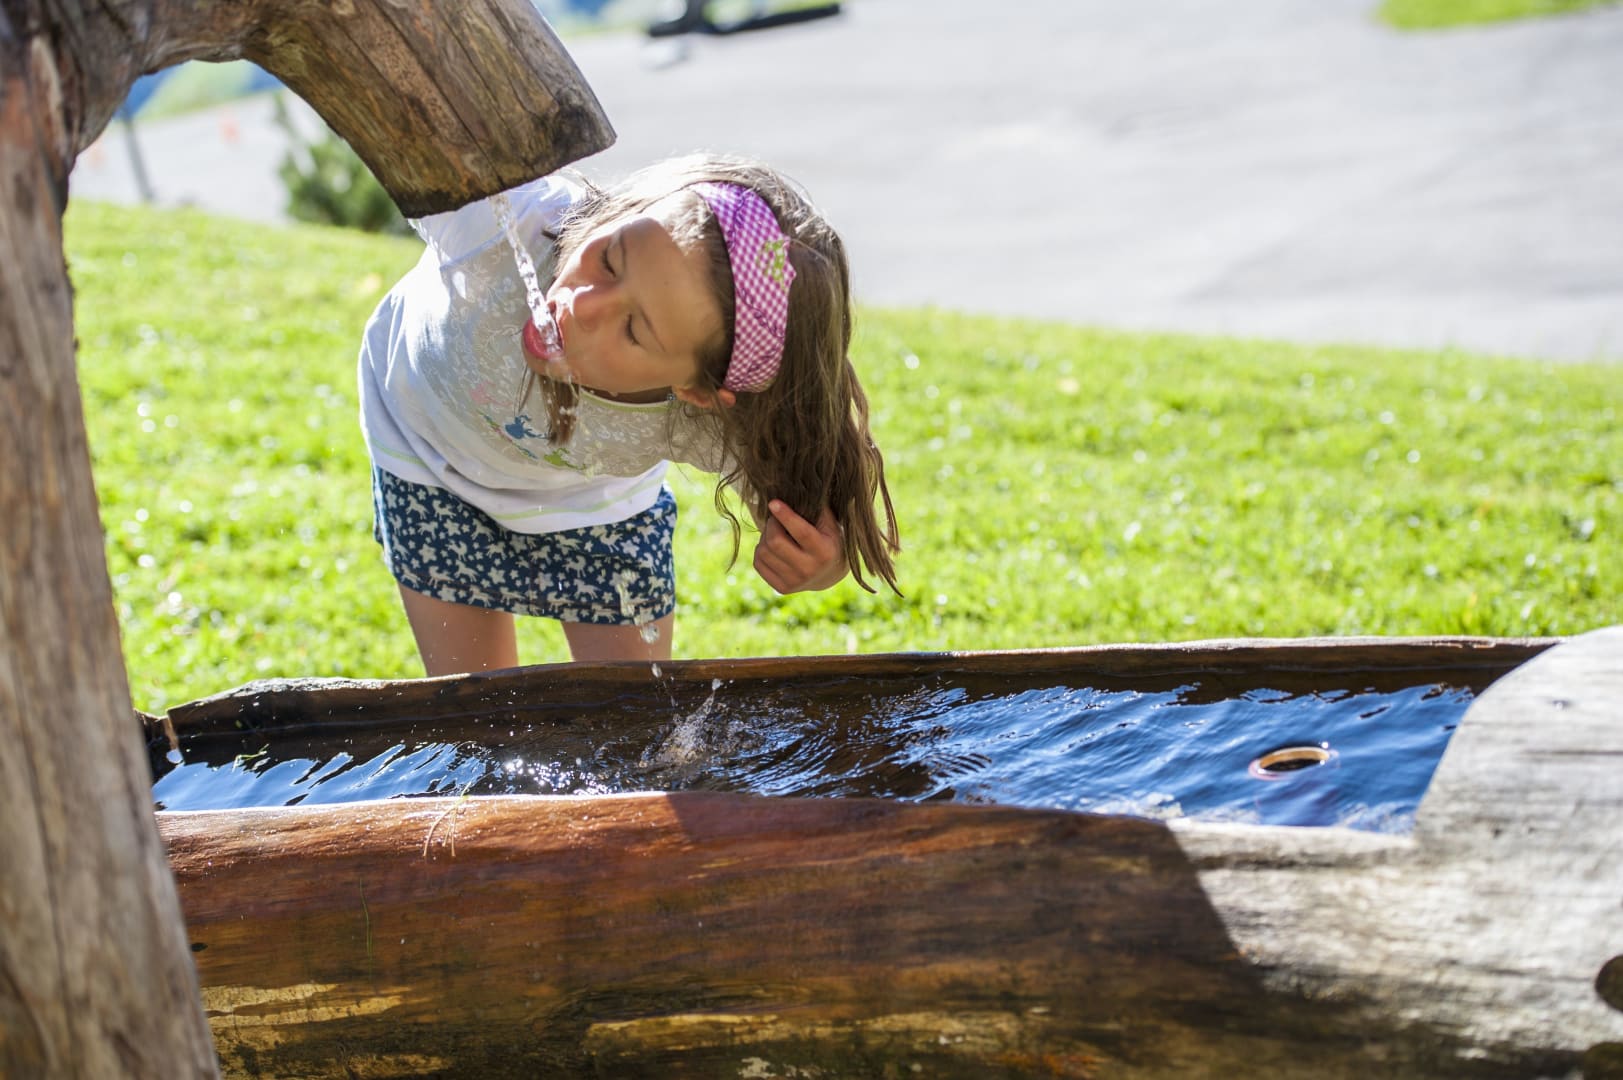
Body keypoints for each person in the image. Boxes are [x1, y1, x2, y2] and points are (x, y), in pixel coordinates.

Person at [358, 153, 899, 676]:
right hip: (433, 463)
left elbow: (815, 527)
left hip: (598, 505)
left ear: (697, 391)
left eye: (634, 330)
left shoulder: (708, 423)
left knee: (633, 715)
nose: (583, 304)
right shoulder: (509, 223)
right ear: (624, 213)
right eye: (610, 260)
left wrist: (820, 564)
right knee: (475, 713)